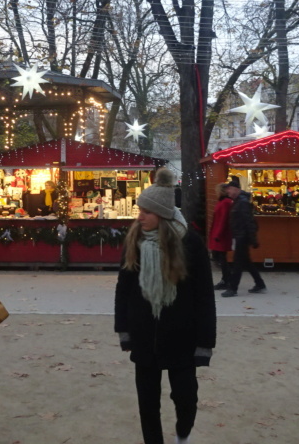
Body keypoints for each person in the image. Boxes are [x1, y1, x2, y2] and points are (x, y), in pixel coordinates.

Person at [114, 167, 216, 444]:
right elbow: (124, 288)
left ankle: (183, 433)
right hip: (144, 336)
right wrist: (123, 330)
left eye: (146, 211)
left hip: (182, 336)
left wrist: (205, 343)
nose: (140, 217)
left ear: (162, 213)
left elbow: (204, 295)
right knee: (147, 404)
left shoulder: (190, 243)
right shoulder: (134, 240)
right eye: (140, 210)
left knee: (186, 398)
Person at [222, 176, 266, 297]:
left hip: (242, 237)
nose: (228, 192)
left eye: (229, 189)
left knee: (238, 263)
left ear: (236, 189)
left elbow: (249, 221)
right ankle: (260, 283)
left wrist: (253, 238)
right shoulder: (238, 201)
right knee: (246, 262)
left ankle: (233, 288)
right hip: (240, 235)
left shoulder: (242, 202)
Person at [208, 182, 233, 290]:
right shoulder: (223, 201)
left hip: (221, 235)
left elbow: (223, 220)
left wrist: (217, 234)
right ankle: (227, 279)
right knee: (221, 258)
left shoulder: (225, 202)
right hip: (219, 233)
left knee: (222, 259)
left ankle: (226, 280)